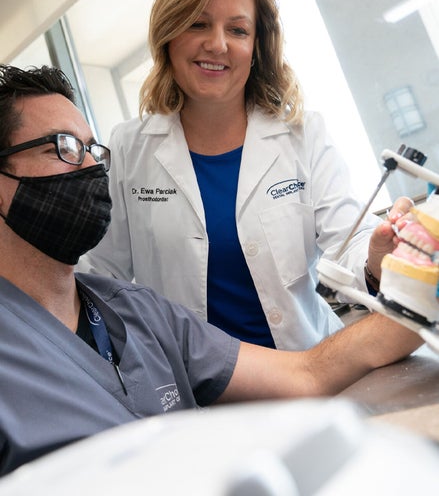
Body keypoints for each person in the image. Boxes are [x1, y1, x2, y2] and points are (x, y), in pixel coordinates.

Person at [0, 64, 422, 476]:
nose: (92, 168)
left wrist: (422, 289)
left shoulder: (140, 314)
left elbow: (308, 372)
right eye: (63, 148)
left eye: (92, 150)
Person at [79, 0, 407, 350]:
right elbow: (100, 275)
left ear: (256, 46)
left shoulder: (301, 135)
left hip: (309, 365)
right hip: (198, 389)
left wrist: (377, 255)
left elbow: (349, 240)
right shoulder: (130, 148)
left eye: (237, 30)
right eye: (198, 24)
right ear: (169, 37)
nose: (217, 45)